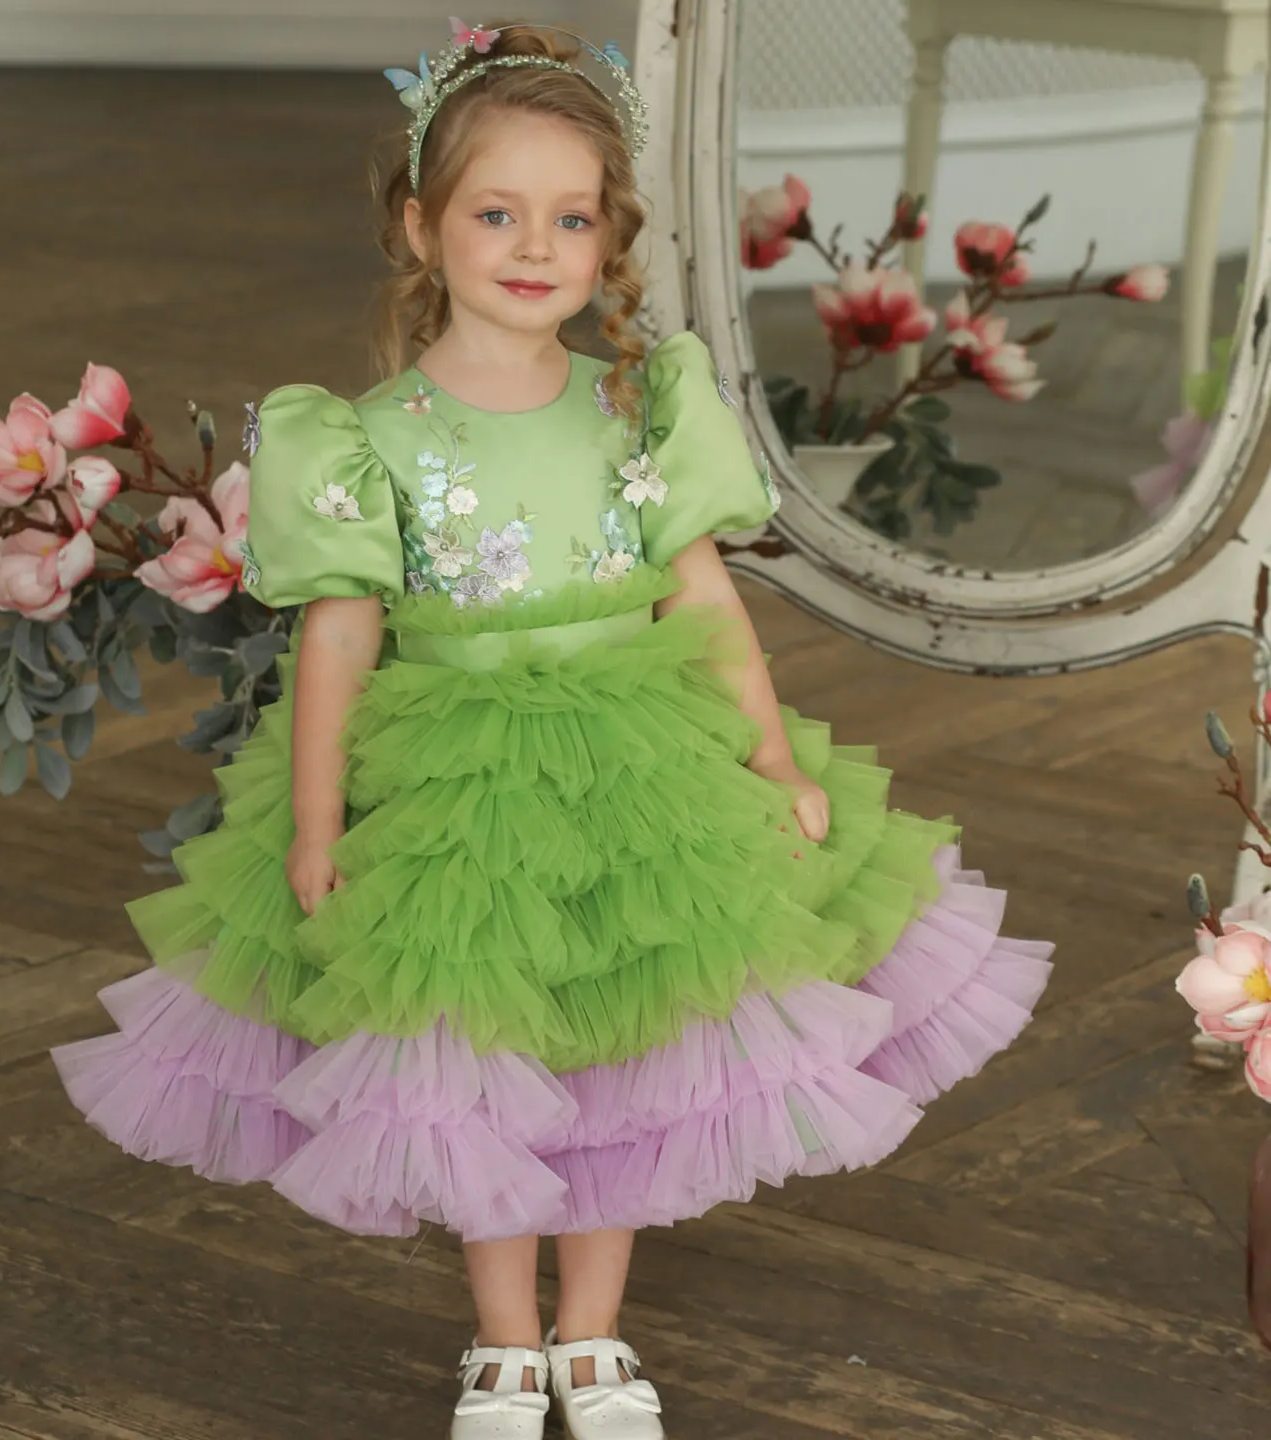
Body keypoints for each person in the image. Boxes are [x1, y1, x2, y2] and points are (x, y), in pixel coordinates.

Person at [51, 19, 1054, 1440]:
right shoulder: (362, 436)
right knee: (476, 1043)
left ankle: (594, 1335)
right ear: (422, 224)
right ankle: (506, 1342)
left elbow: (703, 598)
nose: (535, 246)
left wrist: (770, 757)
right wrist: (320, 820)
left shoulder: (641, 408)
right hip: (455, 780)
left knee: (628, 1049)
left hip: (642, 763)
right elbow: (336, 638)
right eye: (496, 212)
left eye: (570, 216)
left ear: (608, 238)